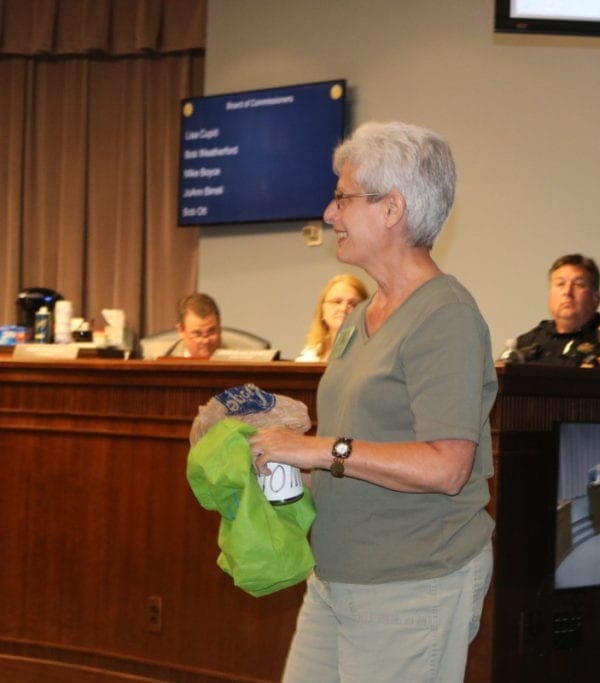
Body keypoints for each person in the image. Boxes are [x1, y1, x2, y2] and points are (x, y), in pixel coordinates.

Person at [247, 121, 496, 683]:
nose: (330, 213)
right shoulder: (361, 317)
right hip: (336, 577)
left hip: (412, 584)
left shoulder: (445, 316)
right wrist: (285, 460)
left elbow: (446, 467)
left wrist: (317, 450)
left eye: (343, 197)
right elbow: (353, 445)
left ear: (392, 209)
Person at [296, 274, 369, 362]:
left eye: (353, 304)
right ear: (322, 310)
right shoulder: (311, 352)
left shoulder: (369, 352)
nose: (343, 308)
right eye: (337, 302)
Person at [167, 293, 222, 358]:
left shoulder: (236, 360)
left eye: (211, 332)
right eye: (198, 334)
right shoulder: (155, 357)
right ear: (181, 330)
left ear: (219, 328)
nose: (206, 341)